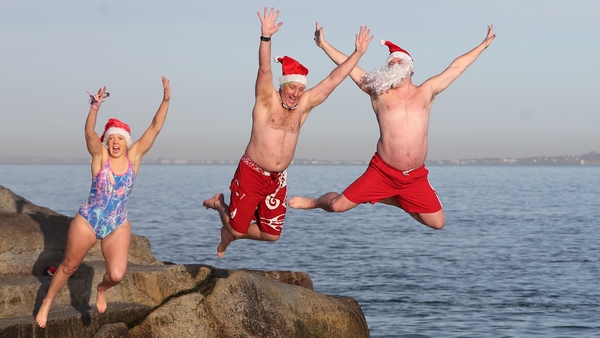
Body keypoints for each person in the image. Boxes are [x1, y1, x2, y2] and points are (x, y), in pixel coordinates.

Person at [289, 24, 496, 229]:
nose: (394, 63)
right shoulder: (378, 92)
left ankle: (392, 198)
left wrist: (482, 46)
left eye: (398, 60)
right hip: (382, 172)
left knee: (438, 223)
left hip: (414, 177)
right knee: (337, 206)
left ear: (409, 66)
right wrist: (324, 45)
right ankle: (314, 202)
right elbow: (348, 67)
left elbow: (457, 67)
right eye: (391, 62)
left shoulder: (427, 90)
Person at [203, 7, 373, 258]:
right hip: (252, 173)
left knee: (271, 234)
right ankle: (219, 205)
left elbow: (333, 80)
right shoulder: (266, 100)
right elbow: (264, 69)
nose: (296, 93)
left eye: (300, 89)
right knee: (238, 231)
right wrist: (266, 37)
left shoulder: (303, 105)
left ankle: (230, 231)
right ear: (283, 85)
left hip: (277, 178)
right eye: (292, 87)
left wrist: (357, 53)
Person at [35, 76, 171, 328]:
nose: (116, 142)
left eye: (120, 139)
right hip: (88, 220)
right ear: (106, 141)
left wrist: (165, 100)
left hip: (117, 223)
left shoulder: (134, 158)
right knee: (68, 266)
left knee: (117, 275)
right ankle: (47, 302)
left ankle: (101, 289)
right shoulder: (100, 157)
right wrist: (94, 107)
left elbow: (154, 127)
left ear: (126, 142)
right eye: (111, 139)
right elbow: (88, 133)